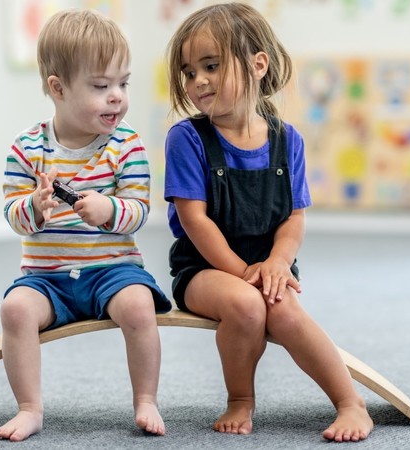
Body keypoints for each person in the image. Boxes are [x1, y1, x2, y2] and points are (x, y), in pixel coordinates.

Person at [163, 2, 373, 442]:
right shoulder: (186, 138)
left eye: (211, 65)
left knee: (286, 312)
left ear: (258, 65)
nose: (198, 80)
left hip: (270, 263)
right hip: (204, 268)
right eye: (189, 72)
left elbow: (294, 217)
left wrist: (277, 263)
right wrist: (244, 274)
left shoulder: (287, 139)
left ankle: (351, 403)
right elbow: (194, 221)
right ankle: (240, 399)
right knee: (245, 304)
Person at [0, 9, 172, 442]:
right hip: (46, 278)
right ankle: (29, 408)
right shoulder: (26, 149)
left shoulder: (126, 144)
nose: (116, 97)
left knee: (139, 307)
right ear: (58, 88)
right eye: (100, 86)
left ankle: (146, 399)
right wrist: (34, 207)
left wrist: (109, 210)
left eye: (123, 84)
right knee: (14, 310)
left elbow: (139, 209)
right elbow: (13, 214)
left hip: (113, 270)